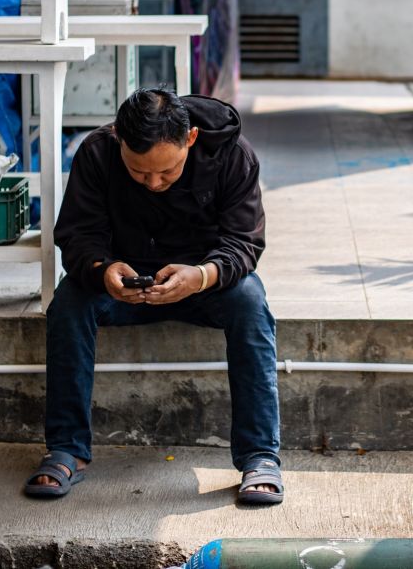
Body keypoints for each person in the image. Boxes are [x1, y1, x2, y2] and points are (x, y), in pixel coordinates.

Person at [23, 88, 283, 505]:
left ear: (191, 139)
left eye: (168, 171)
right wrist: (102, 270)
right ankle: (66, 449)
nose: (154, 183)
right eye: (140, 173)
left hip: (202, 283)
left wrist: (201, 276)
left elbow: (244, 243)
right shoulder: (96, 152)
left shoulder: (234, 155)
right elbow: (75, 235)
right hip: (122, 286)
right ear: (119, 140)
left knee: (250, 302)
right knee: (69, 304)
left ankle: (260, 456)